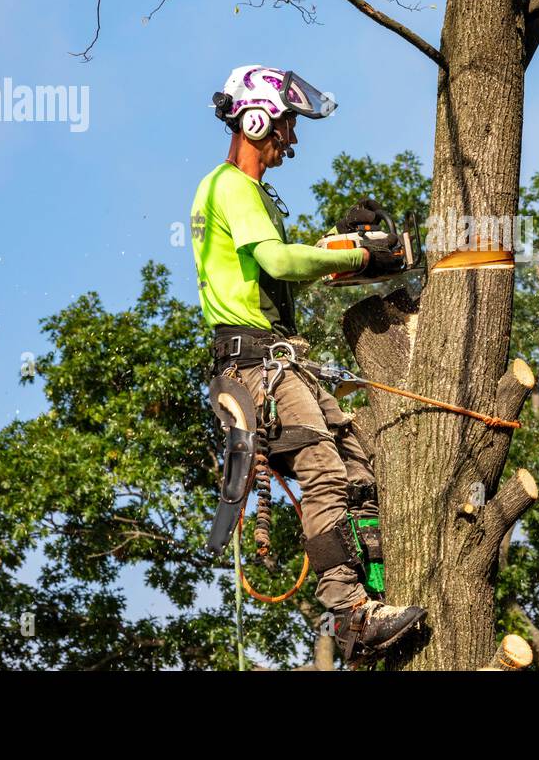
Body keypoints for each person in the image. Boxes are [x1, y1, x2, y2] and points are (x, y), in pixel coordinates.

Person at [190, 65, 426, 661]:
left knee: (357, 467)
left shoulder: (250, 195)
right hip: (255, 363)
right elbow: (281, 263)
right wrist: (341, 258)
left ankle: (374, 593)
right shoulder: (229, 186)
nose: (290, 142)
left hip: (281, 359)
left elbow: (285, 263)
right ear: (256, 117)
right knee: (322, 465)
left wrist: (343, 252)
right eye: (286, 126)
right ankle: (348, 613)